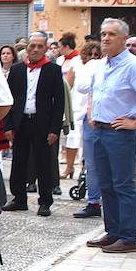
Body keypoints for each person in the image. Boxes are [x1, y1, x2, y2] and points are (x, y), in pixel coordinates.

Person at [84, 18, 136, 253]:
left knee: (123, 185)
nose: (105, 38)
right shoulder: (101, 65)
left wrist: (134, 121)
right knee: (105, 184)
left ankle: (128, 236)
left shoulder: (133, 65)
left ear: (124, 38)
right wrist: (91, 112)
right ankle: (113, 231)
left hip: (119, 134)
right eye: (103, 33)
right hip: (100, 131)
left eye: (112, 34)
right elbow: (96, 93)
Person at [2, 32, 65, 216]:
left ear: (46, 48)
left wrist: (55, 128)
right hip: (21, 121)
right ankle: (19, 198)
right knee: (19, 161)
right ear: (27, 48)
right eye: (32, 46)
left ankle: (45, 201)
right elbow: (9, 99)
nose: (35, 49)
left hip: (42, 123)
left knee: (44, 162)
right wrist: (8, 125)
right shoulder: (17, 70)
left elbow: (59, 102)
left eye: (40, 46)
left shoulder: (53, 70)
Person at [72, 40, 105, 219]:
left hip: (119, 122)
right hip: (92, 118)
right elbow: (82, 87)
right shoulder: (94, 66)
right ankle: (93, 202)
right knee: (92, 163)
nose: (93, 57)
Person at [58, 32, 82, 180]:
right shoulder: (60, 60)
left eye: (60, 46)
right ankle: (67, 163)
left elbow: (70, 82)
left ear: (66, 46)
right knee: (63, 136)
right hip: (61, 100)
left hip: (74, 100)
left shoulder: (78, 60)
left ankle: (70, 167)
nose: (59, 49)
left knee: (73, 135)